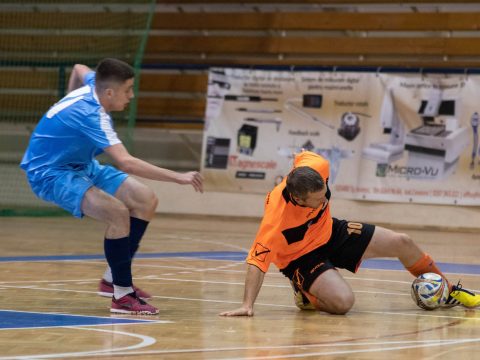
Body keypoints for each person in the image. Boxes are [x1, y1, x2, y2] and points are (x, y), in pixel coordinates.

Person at [20, 58, 203, 315]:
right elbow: (126, 162)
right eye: (128, 90)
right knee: (117, 212)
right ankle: (122, 296)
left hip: (80, 163)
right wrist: (178, 177)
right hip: (50, 172)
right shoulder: (90, 114)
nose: (132, 95)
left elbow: (79, 68)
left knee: (144, 199)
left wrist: (66, 100)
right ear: (109, 93)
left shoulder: (96, 84)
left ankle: (111, 280)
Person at [220, 151, 480, 316]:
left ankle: (447, 291)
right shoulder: (276, 220)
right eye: (317, 200)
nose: (324, 202)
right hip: (301, 257)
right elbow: (256, 263)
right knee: (343, 303)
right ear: (298, 199)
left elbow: (302, 157)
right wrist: (247, 305)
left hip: (331, 231)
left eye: (325, 195)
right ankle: (304, 290)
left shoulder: (317, 166)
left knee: (403, 242)